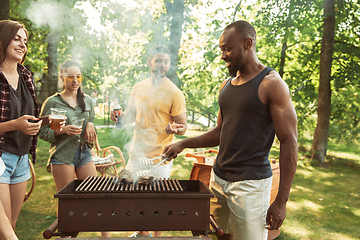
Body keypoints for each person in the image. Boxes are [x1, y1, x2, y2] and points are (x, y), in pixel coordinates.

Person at [163, 20, 298, 240]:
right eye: (221, 49)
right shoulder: (226, 85)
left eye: (228, 48)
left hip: (250, 186)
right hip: (219, 179)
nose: (223, 55)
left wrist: (281, 200)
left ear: (248, 43)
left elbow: (289, 141)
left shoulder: (271, 83)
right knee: (221, 236)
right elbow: (220, 132)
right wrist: (183, 143)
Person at [110, 45, 187, 237]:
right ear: (150, 61)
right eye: (158, 60)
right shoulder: (138, 87)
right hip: (136, 154)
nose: (162, 64)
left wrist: (174, 128)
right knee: (135, 200)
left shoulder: (174, 92)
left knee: (156, 203)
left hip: (159, 157)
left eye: (166, 61)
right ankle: (142, 233)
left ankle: (156, 237)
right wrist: (119, 117)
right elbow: (130, 116)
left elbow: (183, 126)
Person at [38, 59, 110, 238]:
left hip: (84, 154)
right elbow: (41, 130)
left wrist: (91, 123)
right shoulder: (52, 102)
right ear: (62, 76)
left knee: (97, 196)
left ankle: (107, 238)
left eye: (79, 76)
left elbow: (90, 118)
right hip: (63, 156)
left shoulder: (87, 100)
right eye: (71, 76)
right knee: (67, 206)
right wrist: (62, 131)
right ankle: (67, 237)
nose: (75, 80)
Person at [0, 20, 48, 232]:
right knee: (5, 232)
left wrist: (42, 123)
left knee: (11, 225)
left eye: (25, 41)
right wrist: (15, 125)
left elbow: (26, 116)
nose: (22, 45)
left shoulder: (26, 75)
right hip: (1, 157)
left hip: (21, 159)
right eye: (16, 38)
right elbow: (16, 122)